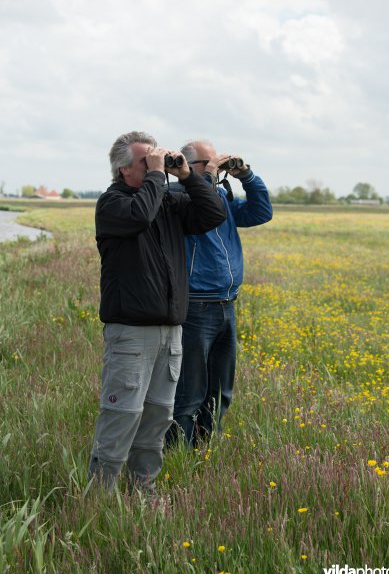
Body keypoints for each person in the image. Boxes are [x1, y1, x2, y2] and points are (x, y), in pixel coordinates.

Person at [88, 131, 226, 491]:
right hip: (131, 333)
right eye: (144, 163)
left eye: (156, 161)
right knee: (123, 415)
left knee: (157, 418)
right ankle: (99, 499)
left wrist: (188, 177)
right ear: (123, 170)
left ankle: (142, 494)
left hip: (170, 332)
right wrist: (155, 176)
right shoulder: (112, 204)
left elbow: (213, 214)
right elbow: (139, 217)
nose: (155, 168)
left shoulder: (166, 200)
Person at [166, 140, 273, 447]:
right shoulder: (178, 197)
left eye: (218, 162)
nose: (217, 167)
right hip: (197, 306)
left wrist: (246, 176)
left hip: (227, 305)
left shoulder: (222, 199)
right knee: (190, 392)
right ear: (186, 167)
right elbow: (195, 196)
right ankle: (179, 455)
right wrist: (206, 176)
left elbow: (260, 213)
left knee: (220, 391)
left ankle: (205, 450)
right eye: (209, 163)